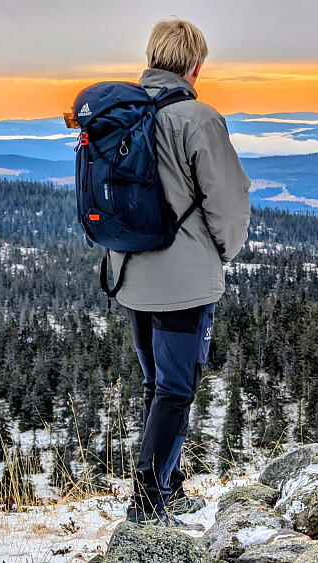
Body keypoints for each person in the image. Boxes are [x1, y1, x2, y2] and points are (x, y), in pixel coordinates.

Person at [112, 17, 251, 529]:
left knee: (158, 384)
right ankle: (148, 505)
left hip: (130, 273)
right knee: (177, 388)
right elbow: (231, 205)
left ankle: (166, 490)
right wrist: (221, 254)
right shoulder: (198, 118)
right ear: (194, 65)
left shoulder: (122, 114)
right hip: (183, 284)